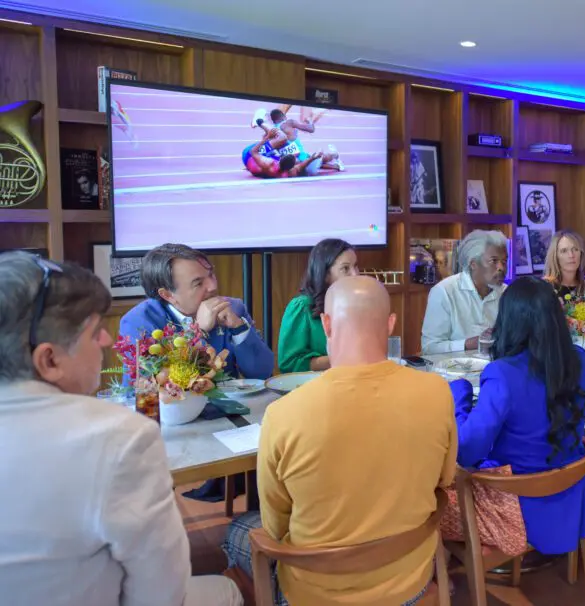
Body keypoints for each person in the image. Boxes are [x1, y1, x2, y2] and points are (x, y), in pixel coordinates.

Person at [0, 252, 242, 606]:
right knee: (228, 590)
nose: (108, 342)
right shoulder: (120, 439)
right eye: (94, 333)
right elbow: (163, 593)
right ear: (49, 360)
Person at [223, 276, 457, 606]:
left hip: (315, 593)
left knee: (236, 530)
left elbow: (275, 527)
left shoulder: (283, 413)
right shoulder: (437, 393)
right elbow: (444, 480)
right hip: (410, 582)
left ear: (327, 323)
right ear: (390, 325)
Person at [449, 276, 585, 553]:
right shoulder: (579, 359)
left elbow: (467, 451)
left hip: (517, 507)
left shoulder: (503, 374)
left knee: (431, 496)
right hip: (572, 493)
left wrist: (459, 398)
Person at [120, 243, 274, 381]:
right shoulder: (140, 323)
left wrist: (238, 327)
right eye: (198, 283)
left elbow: (262, 373)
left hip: (229, 410)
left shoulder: (232, 308)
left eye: (211, 275)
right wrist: (197, 332)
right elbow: (145, 389)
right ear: (167, 295)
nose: (213, 286)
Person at [277, 238, 359, 373]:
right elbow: (289, 363)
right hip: (314, 388)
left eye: (355, 266)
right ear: (325, 273)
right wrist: (340, 359)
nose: (355, 274)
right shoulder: (302, 307)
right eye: (345, 268)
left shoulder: (356, 306)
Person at [421, 230, 508, 354]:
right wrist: (468, 343)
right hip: (451, 371)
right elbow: (429, 348)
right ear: (473, 264)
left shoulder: (507, 293)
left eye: (504, 261)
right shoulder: (444, 292)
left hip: (496, 369)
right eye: (494, 261)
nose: (501, 268)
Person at [542, 230, 585, 300]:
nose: (571, 255)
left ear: (581, 254)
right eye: (564, 251)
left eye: (575, 249)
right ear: (555, 256)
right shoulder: (545, 287)